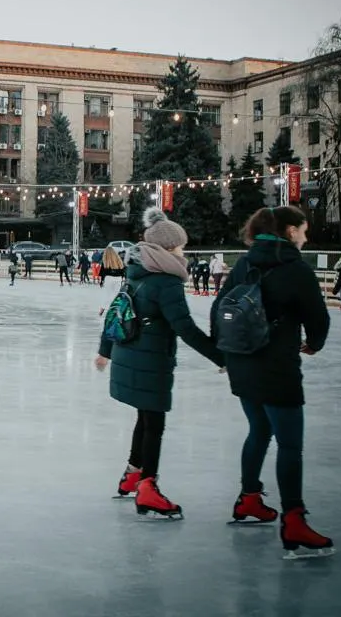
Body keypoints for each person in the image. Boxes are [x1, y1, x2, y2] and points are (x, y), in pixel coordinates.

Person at [211, 205, 333, 559]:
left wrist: (226, 353)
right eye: (303, 230)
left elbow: (219, 309)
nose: (306, 237)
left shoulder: (245, 263)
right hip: (277, 366)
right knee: (290, 444)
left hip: (242, 363)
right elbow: (318, 318)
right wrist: (314, 343)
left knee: (259, 429)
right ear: (290, 231)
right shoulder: (296, 268)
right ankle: (294, 520)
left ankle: (249, 498)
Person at [95, 207, 223, 519]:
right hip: (150, 361)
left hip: (132, 356)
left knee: (146, 417)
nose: (183, 252)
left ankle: (132, 474)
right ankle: (148, 489)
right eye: (180, 247)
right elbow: (185, 327)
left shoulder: (137, 270)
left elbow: (116, 310)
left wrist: (105, 351)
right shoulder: (166, 281)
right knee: (154, 424)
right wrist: (221, 357)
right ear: (168, 248)